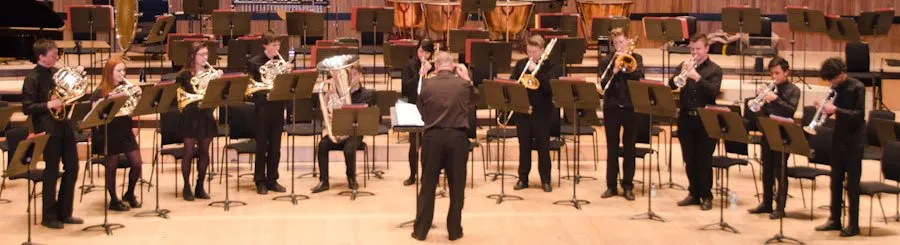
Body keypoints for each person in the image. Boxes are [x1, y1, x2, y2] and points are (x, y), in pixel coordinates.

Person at [412, 51, 477, 241]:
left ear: (437, 65)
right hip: (457, 139)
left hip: (433, 138)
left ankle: (421, 230)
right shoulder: (463, 85)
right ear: (453, 65)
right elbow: (475, 100)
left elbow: (420, 109)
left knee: (428, 185)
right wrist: (467, 78)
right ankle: (454, 230)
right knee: (457, 188)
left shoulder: (428, 84)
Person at [22, 38, 84, 229]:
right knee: (52, 170)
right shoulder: (32, 78)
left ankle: (65, 212)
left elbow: (69, 93)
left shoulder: (56, 73)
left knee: (73, 167)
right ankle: (48, 216)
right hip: (47, 128)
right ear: (41, 57)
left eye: (57, 53)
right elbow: (27, 107)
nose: (57, 57)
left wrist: (77, 76)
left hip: (64, 125)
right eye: (53, 55)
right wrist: (49, 104)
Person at [669, 33, 722, 211]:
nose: (694, 52)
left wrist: (697, 77)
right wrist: (682, 73)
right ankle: (693, 193)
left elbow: (714, 91)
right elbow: (672, 85)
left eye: (698, 49)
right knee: (689, 159)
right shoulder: (683, 65)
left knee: (704, 160)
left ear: (706, 48)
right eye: (692, 49)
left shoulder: (714, 70)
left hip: (705, 119)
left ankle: (706, 196)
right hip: (685, 118)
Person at [814, 58, 866, 237]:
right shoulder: (834, 88)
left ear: (842, 73)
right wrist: (822, 111)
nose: (831, 83)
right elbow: (831, 112)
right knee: (835, 181)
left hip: (854, 142)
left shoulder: (858, 87)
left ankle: (853, 224)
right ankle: (834, 219)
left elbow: (858, 115)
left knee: (852, 184)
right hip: (838, 139)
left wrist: (835, 110)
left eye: (832, 79)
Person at [746, 57, 799, 219]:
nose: (774, 77)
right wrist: (760, 101)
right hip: (768, 132)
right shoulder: (770, 89)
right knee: (767, 169)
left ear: (786, 72)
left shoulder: (793, 90)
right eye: (772, 73)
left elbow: (790, 111)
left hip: (784, 135)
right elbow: (761, 114)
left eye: (777, 73)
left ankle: (780, 207)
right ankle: (766, 203)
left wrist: (774, 99)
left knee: (780, 170)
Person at [310, 61, 374, 193]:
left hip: (355, 133)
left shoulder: (367, 94)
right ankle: (324, 181)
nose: (352, 78)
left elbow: (365, 116)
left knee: (349, 149)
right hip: (339, 131)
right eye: (349, 75)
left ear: (360, 75)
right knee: (322, 145)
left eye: (355, 74)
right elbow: (324, 112)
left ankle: (351, 178)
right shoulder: (338, 93)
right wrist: (327, 99)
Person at [90, 56, 144, 211]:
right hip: (109, 131)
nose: (123, 74)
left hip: (125, 129)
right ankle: (113, 199)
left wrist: (137, 95)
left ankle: (130, 193)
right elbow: (96, 114)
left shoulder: (126, 88)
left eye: (124, 70)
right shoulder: (99, 92)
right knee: (111, 166)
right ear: (109, 72)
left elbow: (132, 109)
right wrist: (110, 99)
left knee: (137, 163)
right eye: (119, 70)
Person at [510, 35, 562, 192]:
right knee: (523, 146)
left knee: (543, 147)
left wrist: (536, 72)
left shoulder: (552, 66)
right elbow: (513, 84)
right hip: (524, 112)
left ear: (542, 50)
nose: (531, 55)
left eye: (534, 51)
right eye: (528, 51)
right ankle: (523, 178)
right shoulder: (521, 64)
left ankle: (545, 180)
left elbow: (550, 88)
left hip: (542, 112)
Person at [598, 28, 644, 201]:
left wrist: (626, 68)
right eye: (616, 43)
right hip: (612, 108)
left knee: (630, 147)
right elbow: (603, 85)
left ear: (628, 41)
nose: (619, 45)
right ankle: (611, 185)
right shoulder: (606, 61)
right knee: (612, 147)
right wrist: (614, 70)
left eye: (621, 42)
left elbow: (640, 77)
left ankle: (627, 185)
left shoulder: (637, 59)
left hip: (631, 107)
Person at [247, 32, 288, 195]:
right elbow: (251, 89)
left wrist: (286, 72)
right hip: (262, 108)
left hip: (278, 106)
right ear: (265, 45)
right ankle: (260, 180)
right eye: (273, 45)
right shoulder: (254, 62)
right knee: (262, 145)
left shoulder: (280, 61)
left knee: (276, 147)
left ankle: (272, 179)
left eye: (278, 45)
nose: (277, 49)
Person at [176, 42, 217, 201]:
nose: (205, 58)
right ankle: (186, 185)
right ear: (193, 56)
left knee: (204, 152)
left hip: (206, 116)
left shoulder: (210, 74)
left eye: (207, 54)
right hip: (190, 117)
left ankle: (200, 185)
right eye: (202, 54)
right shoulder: (184, 75)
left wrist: (216, 83)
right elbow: (181, 99)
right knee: (188, 151)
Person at [400, 39, 435, 186]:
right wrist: (419, 75)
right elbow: (405, 88)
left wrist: (431, 71)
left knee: (428, 145)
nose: (423, 56)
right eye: (421, 51)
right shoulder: (409, 65)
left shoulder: (433, 67)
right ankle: (412, 175)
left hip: (429, 108)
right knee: (414, 145)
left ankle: (427, 175)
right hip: (413, 106)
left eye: (426, 53)